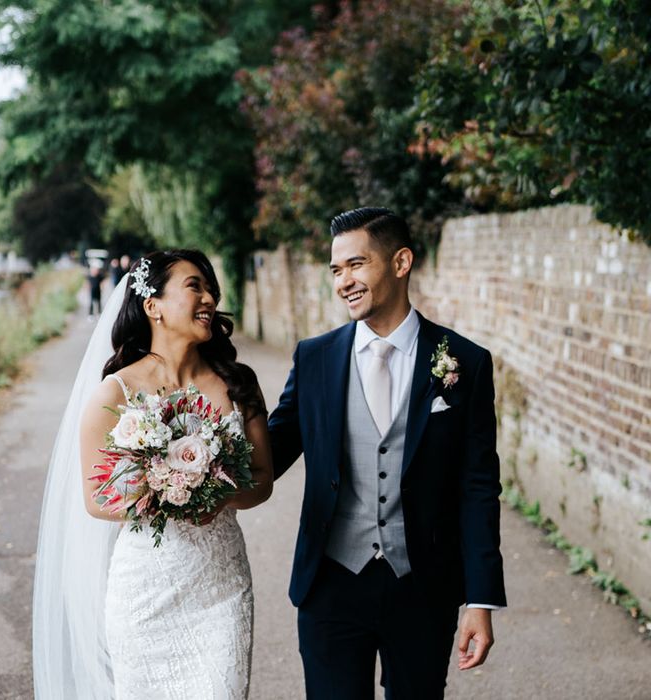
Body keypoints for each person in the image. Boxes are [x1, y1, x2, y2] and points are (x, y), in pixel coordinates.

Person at [268, 208, 506, 699]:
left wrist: (481, 599)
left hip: (423, 586)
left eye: (356, 265)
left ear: (401, 262)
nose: (344, 282)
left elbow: (477, 485)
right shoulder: (313, 359)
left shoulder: (466, 362)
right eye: (336, 270)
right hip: (331, 584)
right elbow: (268, 456)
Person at [33, 249, 273, 699]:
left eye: (210, 288)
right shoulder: (116, 390)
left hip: (221, 586)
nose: (209, 297)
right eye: (194, 286)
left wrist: (219, 494)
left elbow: (263, 480)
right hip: (145, 591)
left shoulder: (239, 382)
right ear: (153, 306)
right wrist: (167, 485)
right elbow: (97, 498)